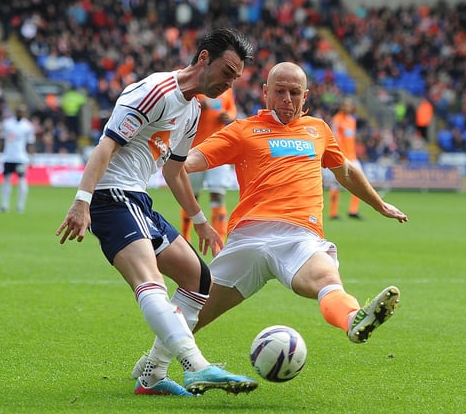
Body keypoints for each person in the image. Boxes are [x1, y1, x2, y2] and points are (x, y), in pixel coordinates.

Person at [132, 61, 408, 382]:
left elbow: (344, 170)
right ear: (265, 93)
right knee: (197, 310)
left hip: (299, 237)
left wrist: (378, 204)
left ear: (306, 96)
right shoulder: (241, 131)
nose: (287, 100)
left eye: (294, 93)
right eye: (280, 92)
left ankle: (353, 320)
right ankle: (153, 364)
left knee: (326, 279)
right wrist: (156, 156)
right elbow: (190, 161)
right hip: (248, 238)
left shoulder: (318, 129)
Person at [55, 28, 256, 397]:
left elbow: (174, 170)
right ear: (203, 59)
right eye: (227, 72)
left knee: (199, 280)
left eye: (236, 78)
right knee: (151, 283)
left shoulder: (193, 110)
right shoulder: (154, 92)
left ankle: (151, 376)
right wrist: (82, 201)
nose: (230, 84)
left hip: (138, 201)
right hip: (111, 197)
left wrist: (201, 222)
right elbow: (105, 147)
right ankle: (197, 367)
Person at [181, 88, 237, 242]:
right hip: (194, 149)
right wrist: (197, 107)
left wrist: (229, 115)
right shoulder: (197, 88)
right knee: (191, 196)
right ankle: (185, 237)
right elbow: (181, 110)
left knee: (217, 194)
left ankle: (220, 242)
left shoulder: (227, 90)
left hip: (218, 150)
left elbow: (231, 108)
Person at [328, 97, 363, 220]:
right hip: (341, 158)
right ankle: (333, 213)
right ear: (341, 106)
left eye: (349, 105)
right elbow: (335, 139)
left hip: (353, 157)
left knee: (360, 182)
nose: (347, 107)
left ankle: (353, 210)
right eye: (345, 105)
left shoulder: (352, 120)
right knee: (335, 184)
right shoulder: (337, 120)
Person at [0, 105, 35, 213]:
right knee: (6, 180)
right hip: (8, 156)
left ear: (25, 113)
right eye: (18, 111)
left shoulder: (27, 126)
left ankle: (20, 205)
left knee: (22, 179)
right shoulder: (7, 124)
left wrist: (31, 157)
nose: (20, 113)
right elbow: (1, 139)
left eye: (22, 111)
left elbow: (30, 143)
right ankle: (4, 205)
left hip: (21, 157)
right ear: (15, 111)